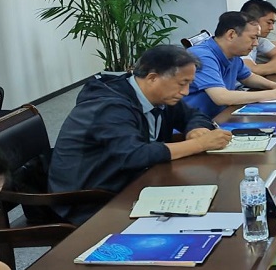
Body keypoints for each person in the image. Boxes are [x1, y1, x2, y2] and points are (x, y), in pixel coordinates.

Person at [48, 45, 233, 225]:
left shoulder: (163, 96)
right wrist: (199, 144)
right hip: (90, 200)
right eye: (182, 83)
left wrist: (195, 129)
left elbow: (193, 115)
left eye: (189, 84)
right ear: (153, 78)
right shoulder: (109, 106)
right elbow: (134, 155)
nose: (185, 92)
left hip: (133, 182)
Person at [186, 11, 276, 117]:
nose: (256, 43)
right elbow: (221, 97)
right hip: (195, 124)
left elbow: (248, 77)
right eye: (253, 38)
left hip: (221, 115)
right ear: (231, 35)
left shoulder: (232, 54)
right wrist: (275, 94)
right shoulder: (202, 55)